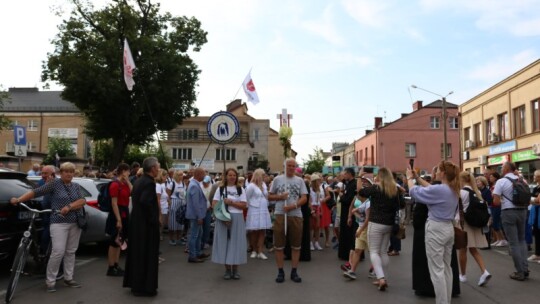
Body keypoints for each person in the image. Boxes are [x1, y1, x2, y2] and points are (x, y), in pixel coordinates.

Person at [11, 162, 86, 293]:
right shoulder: (54, 184)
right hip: (58, 222)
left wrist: (69, 207)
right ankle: (50, 281)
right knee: (57, 251)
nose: (69, 174)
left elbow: (82, 201)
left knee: (71, 251)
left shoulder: (76, 186)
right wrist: (19, 199)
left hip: (75, 222)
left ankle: (69, 278)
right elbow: (35, 192)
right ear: (61, 173)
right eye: (66, 171)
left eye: (71, 172)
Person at [408, 161, 460, 304]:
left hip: (436, 229)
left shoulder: (441, 189)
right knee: (446, 269)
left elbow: (414, 192)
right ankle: (446, 300)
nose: (435, 172)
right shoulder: (452, 188)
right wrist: (418, 178)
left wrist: (409, 179)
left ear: (443, 173)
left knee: (436, 271)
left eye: (437, 170)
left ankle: (442, 302)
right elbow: (431, 188)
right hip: (448, 228)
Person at [357, 167, 402, 291]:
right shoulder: (394, 189)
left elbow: (360, 192)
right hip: (389, 224)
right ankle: (383, 278)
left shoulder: (376, 188)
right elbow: (401, 205)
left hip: (376, 223)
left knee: (374, 252)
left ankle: (381, 278)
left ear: (380, 176)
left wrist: (360, 177)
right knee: (383, 251)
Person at [123, 157, 161, 297]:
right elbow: (146, 202)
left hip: (137, 223)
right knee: (146, 255)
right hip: (145, 226)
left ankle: (136, 284)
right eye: (158, 167)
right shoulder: (149, 183)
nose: (159, 169)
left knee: (138, 254)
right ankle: (144, 287)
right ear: (152, 169)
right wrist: (154, 220)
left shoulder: (139, 181)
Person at [268, 158, 308, 283]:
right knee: (279, 246)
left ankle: (294, 271)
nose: (291, 167)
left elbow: (304, 198)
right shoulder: (277, 179)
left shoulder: (300, 180)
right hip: (280, 214)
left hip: (295, 215)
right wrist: (280, 197)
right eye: (289, 165)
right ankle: (280, 271)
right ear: (284, 166)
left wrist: (293, 206)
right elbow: (269, 196)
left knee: (296, 245)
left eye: (293, 166)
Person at [492, 161, 529, 281]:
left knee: (513, 243)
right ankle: (525, 268)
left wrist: (503, 200)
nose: (501, 170)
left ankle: (519, 272)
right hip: (522, 211)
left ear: (506, 169)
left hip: (508, 212)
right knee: (521, 240)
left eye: (502, 168)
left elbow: (496, 202)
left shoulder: (501, 181)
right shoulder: (522, 180)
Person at [211, 168, 248, 279]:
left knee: (235, 243)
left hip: (237, 217)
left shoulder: (240, 189)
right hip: (223, 218)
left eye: (234, 175)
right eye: (230, 175)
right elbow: (214, 204)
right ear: (226, 176)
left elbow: (244, 205)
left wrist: (231, 202)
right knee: (225, 243)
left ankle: (235, 269)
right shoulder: (221, 189)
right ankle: (227, 270)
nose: (232, 177)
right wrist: (223, 216)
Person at [457, 171, 491, 286]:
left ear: (461, 180)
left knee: (462, 249)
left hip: (464, 223)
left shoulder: (461, 192)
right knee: (473, 249)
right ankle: (484, 271)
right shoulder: (476, 192)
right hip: (475, 223)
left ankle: (463, 275)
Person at [105, 163, 132, 277]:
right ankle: (111, 267)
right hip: (117, 213)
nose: (129, 173)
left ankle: (116, 265)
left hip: (125, 211)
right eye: (127, 171)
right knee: (113, 241)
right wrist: (118, 219)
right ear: (123, 171)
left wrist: (128, 181)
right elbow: (114, 203)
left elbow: (133, 192)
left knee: (120, 241)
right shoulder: (115, 185)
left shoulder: (125, 184)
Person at [343, 188, 370, 280]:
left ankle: (377, 271)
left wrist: (360, 230)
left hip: (366, 229)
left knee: (373, 252)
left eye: (358, 195)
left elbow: (368, 219)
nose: (357, 196)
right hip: (361, 227)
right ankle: (352, 271)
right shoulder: (364, 202)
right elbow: (354, 209)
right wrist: (353, 214)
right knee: (357, 249)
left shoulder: (368, 203)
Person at [245, 168, 272, 260]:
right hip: (254, 210)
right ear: (258, 175)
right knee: (254, 230)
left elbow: (267, 196)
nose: (265, 177)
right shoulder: (251, 186)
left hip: (263, 209)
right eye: (263, 175)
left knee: (262, 231)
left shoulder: (264, 185)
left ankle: (260, 251)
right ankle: (254, 250)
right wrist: (252, 205)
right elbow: (246, 198)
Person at [186, 168, 210, 263]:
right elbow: (195, 203)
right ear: (199, 174)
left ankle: (198, 252)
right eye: (203, 174)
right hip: (196, 215)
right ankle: (192, 255)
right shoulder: (194, 186)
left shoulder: (195, 184)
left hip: (197, 214)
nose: (204, 176)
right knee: (194, 235)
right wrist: (199, 216)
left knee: (199, 234)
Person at [338, 168, 357, 261]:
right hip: (346, 211)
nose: (344, 176)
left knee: (349, 233)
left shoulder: (353, 184)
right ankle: (345, 253)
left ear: (349, 174)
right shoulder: (349, 184)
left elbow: (349, 200)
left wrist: (341, 196)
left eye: (345, 174)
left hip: (349, 212)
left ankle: (348, 254)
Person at [488, 172, 507, 247]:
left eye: (491, 177)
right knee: (494, 223)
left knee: (496, 223)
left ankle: (502, 239)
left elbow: (495, 195)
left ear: (495, 177)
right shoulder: (492, 185)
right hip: (492, 205)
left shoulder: (497, 185)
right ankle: (499, 239)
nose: (490, 178)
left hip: (496, 205)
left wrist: (493, 194)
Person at [168, 170, 185, 245]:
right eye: (180, 175)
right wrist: (169, 203)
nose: (182, 176)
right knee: (173, 222)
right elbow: (168, 195)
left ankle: (179, 238)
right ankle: (171, 239)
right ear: (176, 175)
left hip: (181, 203)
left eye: (182, 175)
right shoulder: (172, 183)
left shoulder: (183, 183)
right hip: (174, 202)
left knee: (180, 222)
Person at [528, 170, 540, 263]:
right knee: (536, 232)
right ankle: (537, 254)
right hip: (535, 212)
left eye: (535, 175)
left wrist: (534, 200)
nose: (533, 177)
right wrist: (534, 200)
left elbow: (537, 200)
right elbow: (532, 200)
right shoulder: (536, 187)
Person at [309, 173, 323, 251]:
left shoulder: (319, 189)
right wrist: (312, 211)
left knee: (317, 227)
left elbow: (319, 201)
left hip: (317, 208)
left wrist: (320, 210)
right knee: (310, 227)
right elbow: (309, 202)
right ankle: (310, 243)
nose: (319, 182)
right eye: (318, 180)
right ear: (314, 181)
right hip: (312, 208)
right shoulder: (310, 189)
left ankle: (316, 242)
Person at [155, 169, 169, 241]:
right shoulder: (158, 186)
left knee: (161, 227)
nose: (166, 178)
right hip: (161, 209)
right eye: (165, 176)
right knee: (159, 228)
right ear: (161, 176)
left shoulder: (162, 185)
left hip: (164, 208)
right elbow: (158, 200)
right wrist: (160, 213)